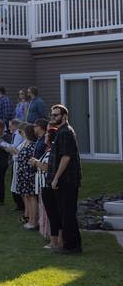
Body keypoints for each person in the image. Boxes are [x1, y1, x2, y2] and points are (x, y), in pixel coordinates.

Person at [49, 104, 82, 254]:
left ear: (64, 116)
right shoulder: (60, 132)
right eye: (52, 115)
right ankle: (69, 245)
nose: (53, 117)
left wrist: (56, 178)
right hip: (63, 180)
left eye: (56, 115)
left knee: (68, 213)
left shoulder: (66, 133)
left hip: (67, 180)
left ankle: (72, 247)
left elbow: (66, 157)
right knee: (64, 212)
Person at [15, 124, 39, 230]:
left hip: (29, 174)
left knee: (32, 197)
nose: (21, 134)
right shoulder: (25, 143)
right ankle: (30, 219)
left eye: (23, 132)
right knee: (27, 197)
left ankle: (34, 221)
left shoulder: (32, 145)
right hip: (23, 173)